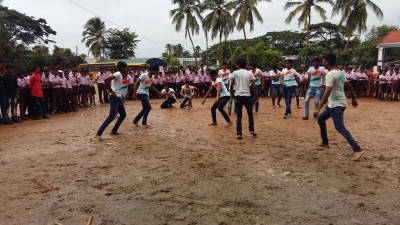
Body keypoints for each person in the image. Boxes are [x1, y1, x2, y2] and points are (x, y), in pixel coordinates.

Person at [313, 53, 364, 162]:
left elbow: (327, 92)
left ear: (327, 62)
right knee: (321, 119)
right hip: (333, 104)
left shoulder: (331, 74)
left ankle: (357, 149)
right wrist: (354, 99)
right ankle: (325, 142)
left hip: (336, 104)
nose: (322, 63)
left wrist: (318, 108)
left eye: (323, 61)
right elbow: (349, 86)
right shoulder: (340, 73)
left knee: (339, 127)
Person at [95, 61, 130, 141]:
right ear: (123, 68)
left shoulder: (120, 75)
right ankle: (98, 133)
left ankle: (114, 131)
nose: (127, 69)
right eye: (126, 68)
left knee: (123, 115)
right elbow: (106, 79)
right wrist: (111, 91)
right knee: (111, 117)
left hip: (118, 97)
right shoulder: (118, 74)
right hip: (114, 97)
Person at [229, 59, 258, 140]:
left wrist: (232, 95)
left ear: (238, 65)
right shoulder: (250, 73)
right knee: (250, 114)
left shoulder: (235, 73)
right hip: (247, 96)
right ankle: (251, 130)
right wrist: (256, 97)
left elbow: (231, 85)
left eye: (236, 65)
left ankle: (239, 133)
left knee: (239, 116)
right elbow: (254, 86)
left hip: (238, 95)